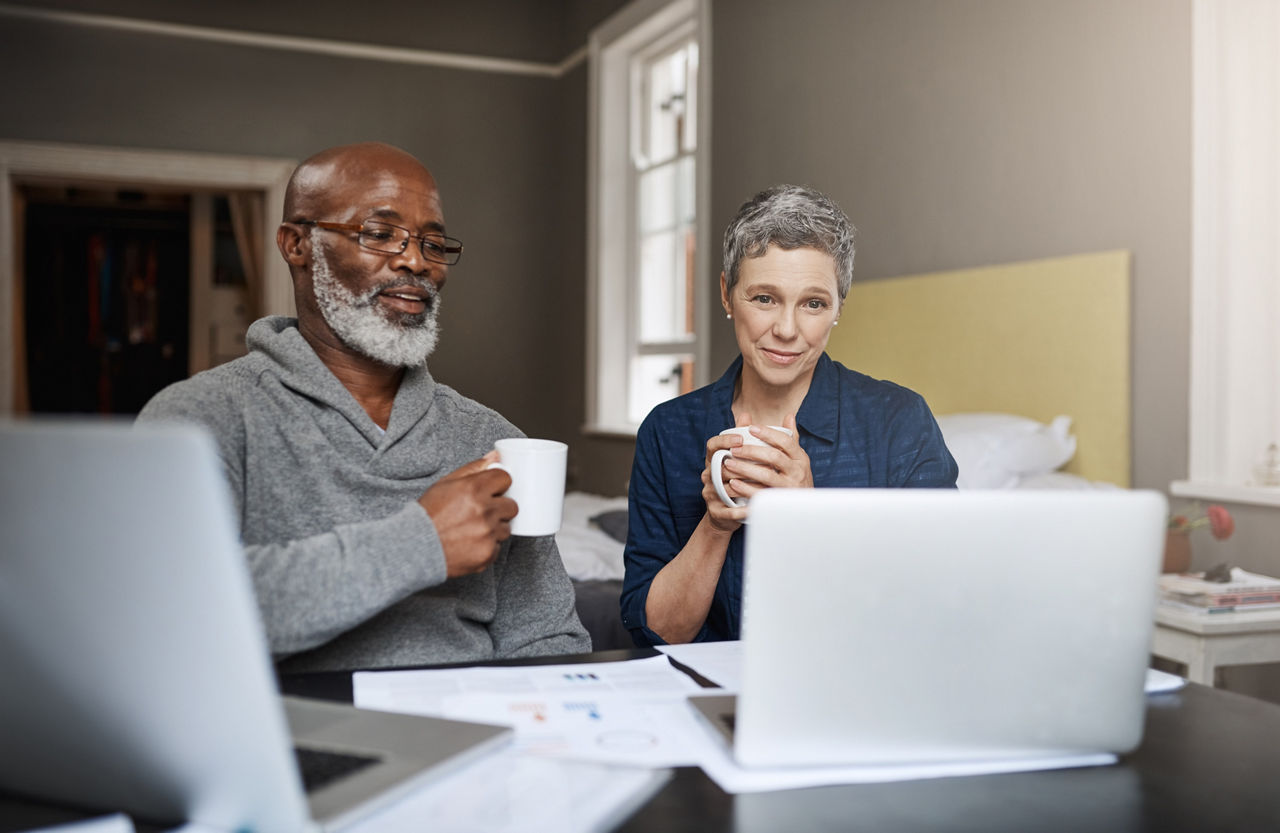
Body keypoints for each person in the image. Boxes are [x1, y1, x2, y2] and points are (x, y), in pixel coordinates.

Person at [138, 142, 589, 671]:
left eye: (433, 243)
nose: (415, 261)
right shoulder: (199, 419)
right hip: (299, 740)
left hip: (476, 730)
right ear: (296, 244)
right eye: (379, 234)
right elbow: (172, 612)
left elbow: (547, 638)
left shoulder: (491, 438)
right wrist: (421, 542)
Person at [620, 184, 958, 647]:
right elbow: (657, 633)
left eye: (813, 304)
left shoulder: (897, 422)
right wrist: (716, 524)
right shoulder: (668, 430)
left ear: (839, 306)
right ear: (726, 294)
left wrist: (808, 519)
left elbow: (939, 611)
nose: (785, 330)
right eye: (764, 298)